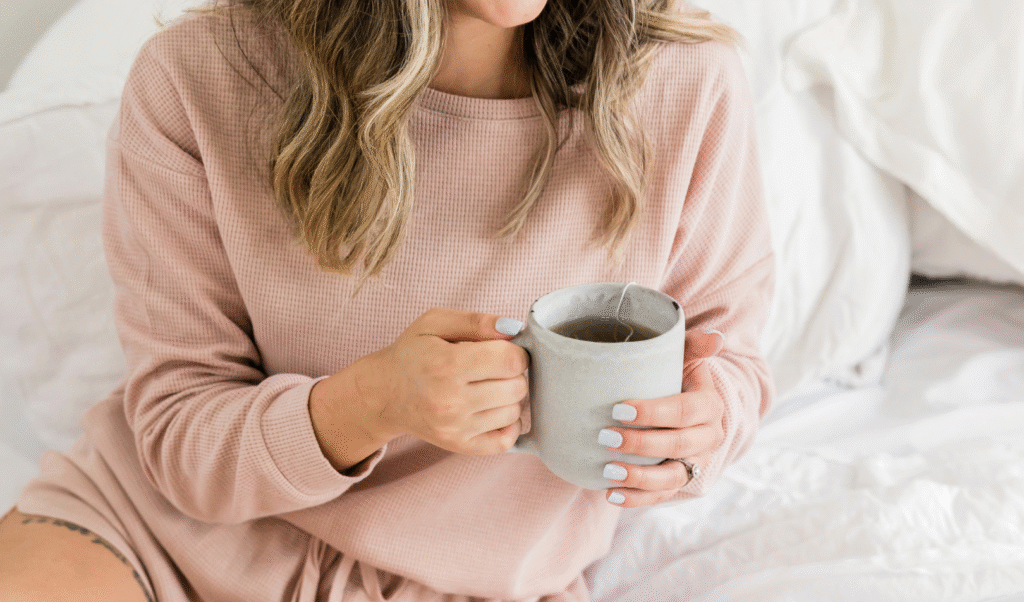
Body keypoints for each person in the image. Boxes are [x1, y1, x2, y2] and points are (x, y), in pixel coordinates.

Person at [0, 0, 775, 599]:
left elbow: (728, 363)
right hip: (167, 539)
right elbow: (178, 433)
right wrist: (367, 404)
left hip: (476, 583)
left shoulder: (685, 85)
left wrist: (694, 438)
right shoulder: (196, 80)